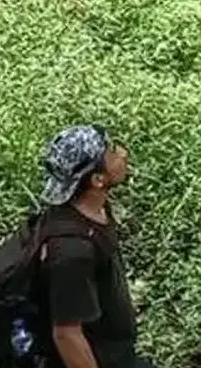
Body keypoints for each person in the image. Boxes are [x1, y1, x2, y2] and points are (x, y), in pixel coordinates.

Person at [38, 124, 157, 368]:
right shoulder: (71, 251)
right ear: (97, 179)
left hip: (115, 350)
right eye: (112, 152)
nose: (122, 153)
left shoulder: (93, 208)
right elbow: (66, 335)